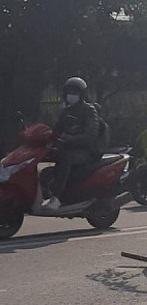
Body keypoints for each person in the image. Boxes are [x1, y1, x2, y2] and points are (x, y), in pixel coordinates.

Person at [43, 77, 101, 210]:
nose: (72, 95)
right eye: (69, 91)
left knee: (65, 158)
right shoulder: (66, 111)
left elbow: (91, 134)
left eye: (75, 92)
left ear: (82, 94)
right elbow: (55, 130)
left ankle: (56, 198)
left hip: (86, 152)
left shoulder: (89, 110)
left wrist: (71, 138)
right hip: (68, 149)